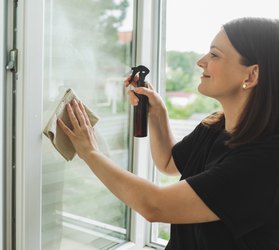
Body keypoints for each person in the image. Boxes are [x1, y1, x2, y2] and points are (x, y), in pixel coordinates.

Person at [57, 17, 279, 249]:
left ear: (251, 76)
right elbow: (169, 162)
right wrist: (157, 113)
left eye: (215, 54)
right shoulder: (215, 126)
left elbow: (155, 206)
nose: (201, 61)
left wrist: (90, 152)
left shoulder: (266, 161)